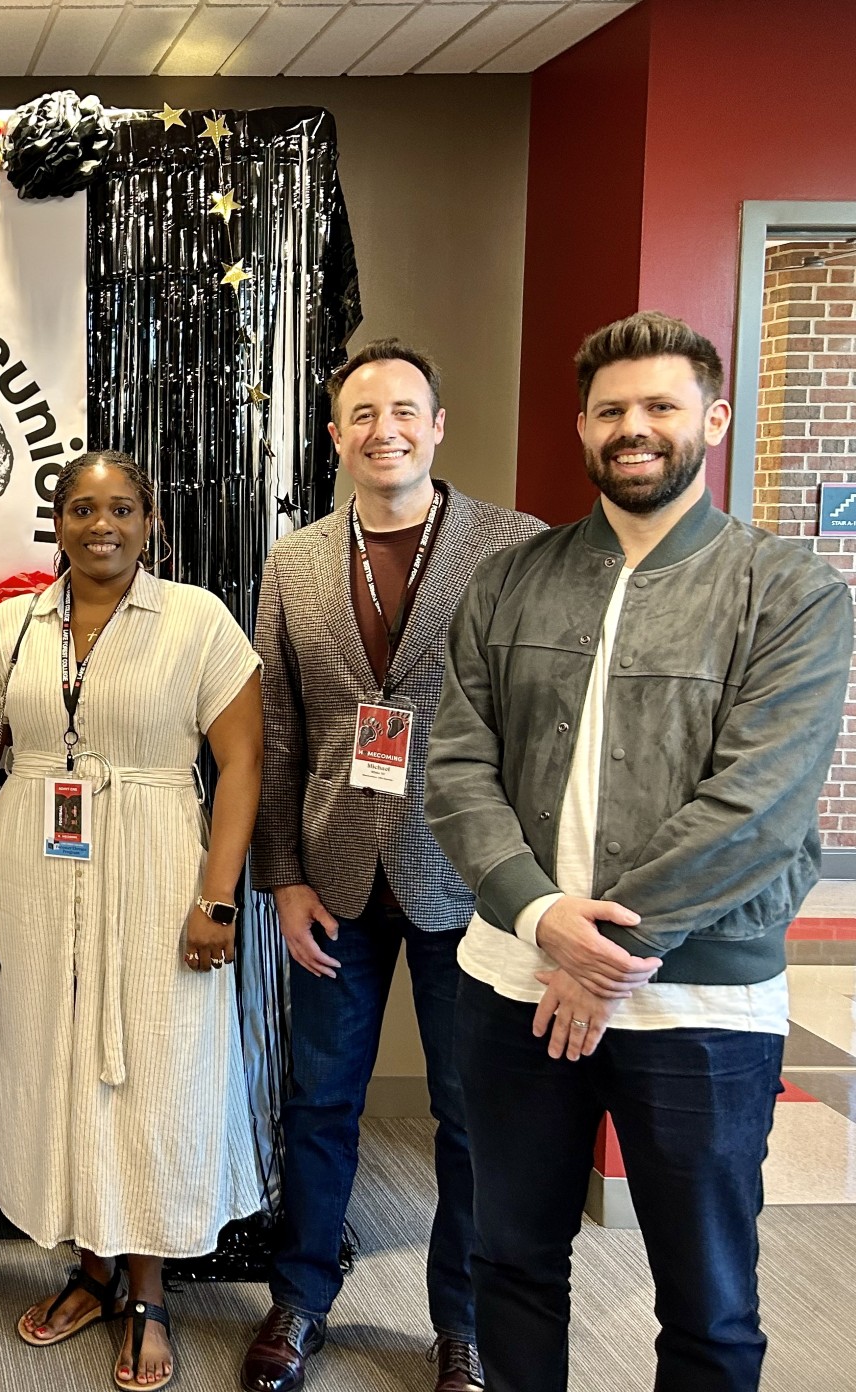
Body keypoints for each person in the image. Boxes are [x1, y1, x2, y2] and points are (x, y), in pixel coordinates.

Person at [425, 312, 854, 1392]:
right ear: (582, 427)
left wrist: (607, 948)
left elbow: (757, 806)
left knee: (708, 1305)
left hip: (697, 1009)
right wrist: (537, 918)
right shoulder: (512, 582)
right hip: (513, 986)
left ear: (711, 417)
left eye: (661, 406)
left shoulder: (790, 591)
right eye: (612, 410)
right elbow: (457, 768)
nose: (635, 429)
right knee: (510, 1262)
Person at [245, 341, 544, 1392]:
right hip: (332, 875)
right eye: (362, 414)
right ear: (336, 436)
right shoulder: (294, 561)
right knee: (320, 1100)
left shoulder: (514, 548)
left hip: (473, 878)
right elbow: (280, 732)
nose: (385, 430)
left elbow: (541, 727)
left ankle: (459, 1324)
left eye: (405, 410)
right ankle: (299, 1299)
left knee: (469, 1115)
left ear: (438, 424)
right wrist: (279, 875)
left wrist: (535, 892)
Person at [0, 451, 264, 1392]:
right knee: (57, 1057)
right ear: (58, 522)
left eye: (121, 507)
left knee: (152, 1066)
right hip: (36, 869)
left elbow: (240, 767)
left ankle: (151, 1289)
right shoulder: (11, 627)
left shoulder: (198, 620)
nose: (101, 525)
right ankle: (90, 1266)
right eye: (81, 508)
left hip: (161, 865)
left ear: (150, 521)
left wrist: (216, 896)